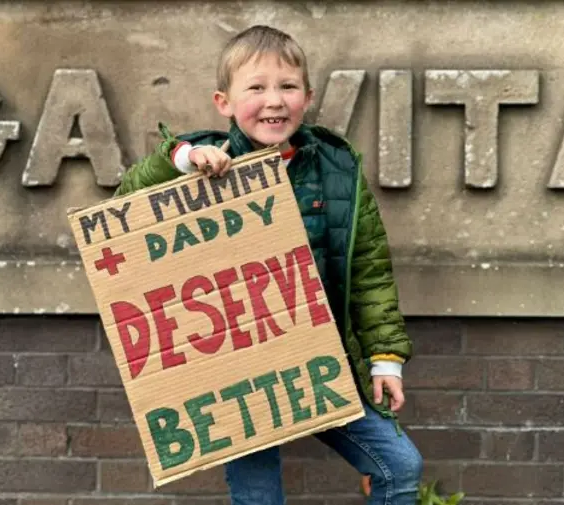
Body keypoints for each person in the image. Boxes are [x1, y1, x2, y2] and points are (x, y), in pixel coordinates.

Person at [114, 24, 422, 505]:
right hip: (237, 374)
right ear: (225, 102)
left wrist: (386, 357)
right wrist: (184, 158)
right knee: (260, 499)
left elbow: (369, 271)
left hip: (323, 361)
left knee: (400, 466)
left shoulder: (337, 171)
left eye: (287, 87)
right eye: (256, 88)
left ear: (308, 96)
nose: (274, 101)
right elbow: (125, 201)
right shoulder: (206, 161)